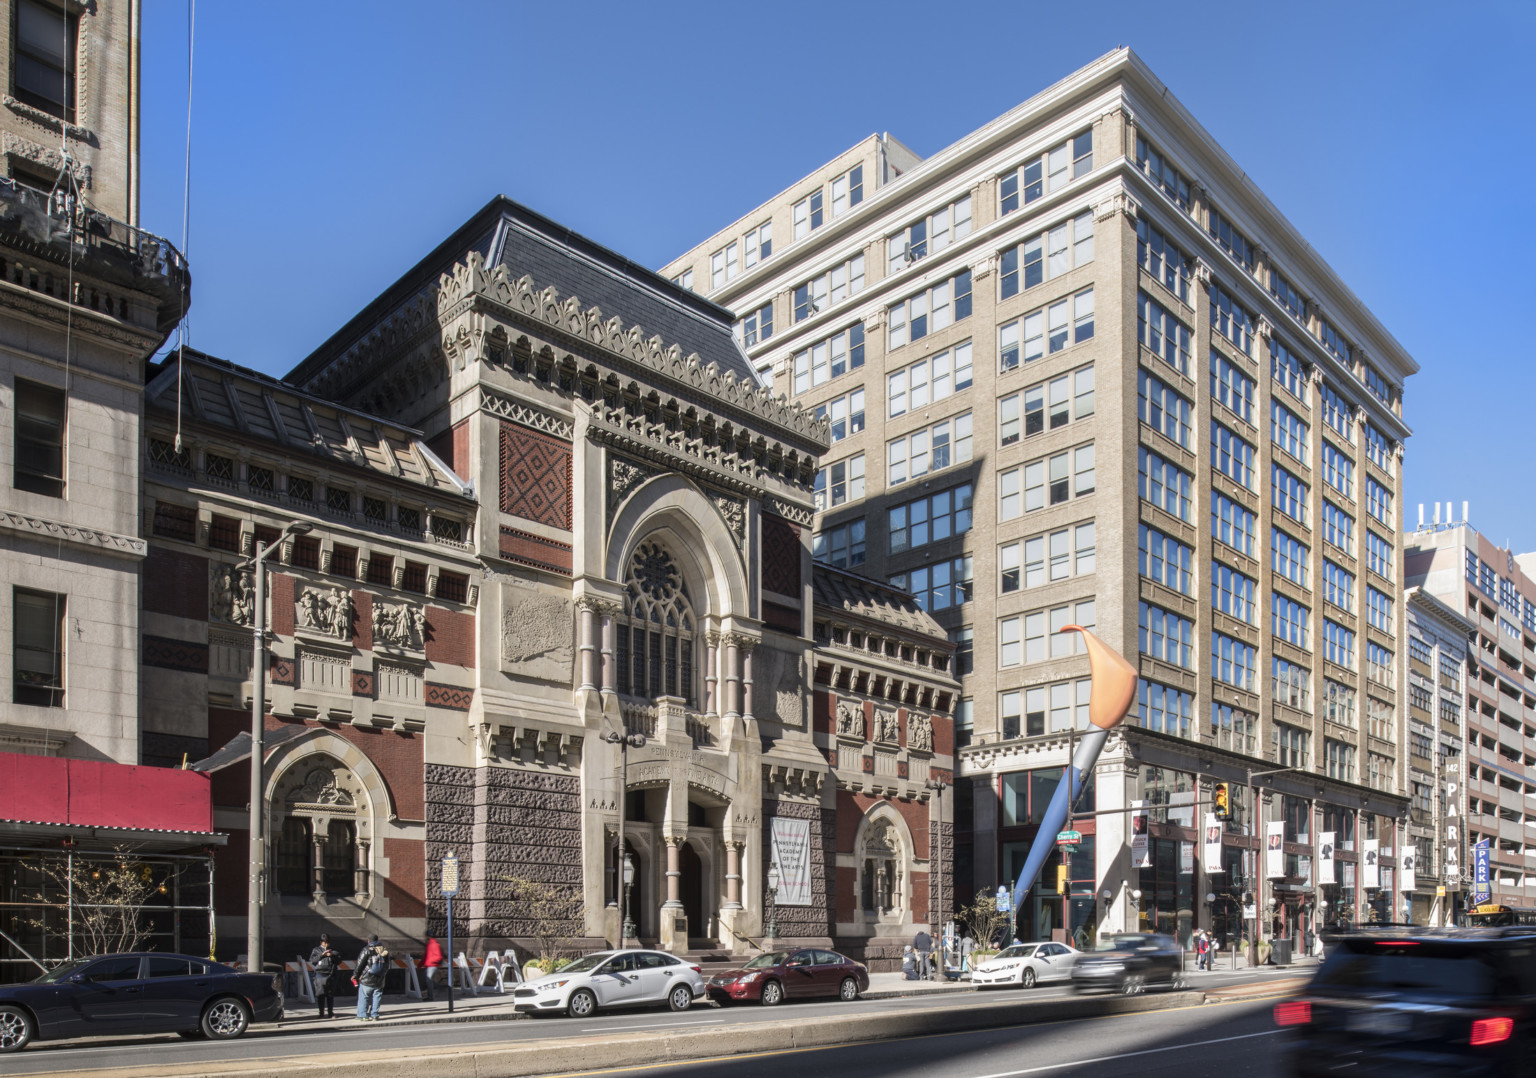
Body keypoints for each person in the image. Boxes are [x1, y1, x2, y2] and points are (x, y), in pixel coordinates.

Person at [354, 934, 389, 1021]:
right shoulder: (384, 950)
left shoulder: (366, 949)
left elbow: (360, 964)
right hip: (380, 979)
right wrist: (383, 974)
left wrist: (355, 975)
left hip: (367, 978)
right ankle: (375, 1015)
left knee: (364, 996)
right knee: (377, 996)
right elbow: (387, 966)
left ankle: (362, 1015)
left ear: (368, 941)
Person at [309, 933, 341, 1018]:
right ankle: (321, 1012)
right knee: (320, 995)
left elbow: (339, 961)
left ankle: (330, 1012)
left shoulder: (333, 950)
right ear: (321, 942)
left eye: (327, 942)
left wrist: (332, 955)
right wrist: (322, 955)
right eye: (324, 942)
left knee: (330, 994)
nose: (326, 944)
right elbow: (313, 961)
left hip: (331, 974)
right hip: (320, 974)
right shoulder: (316, 950)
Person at [421, 936, 445, 1001]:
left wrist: (432, 961)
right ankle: (430, 995)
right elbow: (425, 956)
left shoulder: (434, 945)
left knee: (429, 980)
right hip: (430, 965)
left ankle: (431, 996)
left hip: (432, 965)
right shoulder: (430, 945)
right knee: (429, 980)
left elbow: (438, 956)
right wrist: (420, 964)